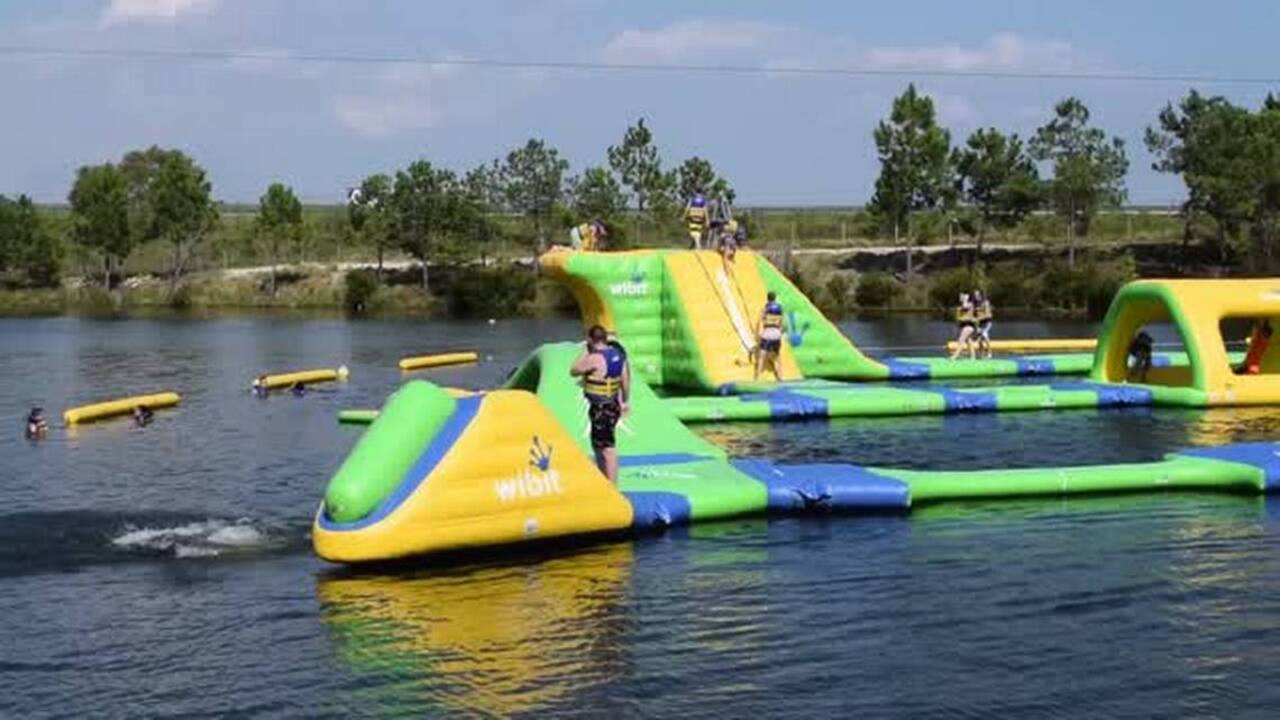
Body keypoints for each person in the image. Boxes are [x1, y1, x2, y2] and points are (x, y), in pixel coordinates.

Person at [570, 325, 630, 484]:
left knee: (607, 448)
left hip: (601, 408)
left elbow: (574, 370)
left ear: (591, 339)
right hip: (612, 405)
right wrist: (625, 401)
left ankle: (611, 486)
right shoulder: (618, 355)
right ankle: (605, 480)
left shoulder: (594, 358)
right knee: (599, 444)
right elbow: (625, 380)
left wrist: (585, 350)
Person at [755, 292, 786, 381]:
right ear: (775, 298)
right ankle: (780, 378)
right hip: (776, 333)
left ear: (767, 298)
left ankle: (757, 378)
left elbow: (760, 321)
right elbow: (783, 325)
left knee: (761, 356)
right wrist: (780, 333)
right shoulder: (780, 308)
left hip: (767, 332)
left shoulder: (765, 308)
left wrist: (758, 334)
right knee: (776, 357)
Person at [950, 292, 976, 360]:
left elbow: (968, 316)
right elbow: (957, 318)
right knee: (969, 341)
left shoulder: (970, 304)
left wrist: (965, 300)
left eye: (963, 296)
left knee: (961, 339)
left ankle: (955, 356)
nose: (961, 297)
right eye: (960, 296)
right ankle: (973, 357)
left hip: (969, 326)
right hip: (963, 326)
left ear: (967, 297)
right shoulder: (960, 306)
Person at [973, 289, 994, 359]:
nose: (976, 296)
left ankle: (990, 353)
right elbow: (975, 315)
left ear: (980, 295)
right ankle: (981, 354)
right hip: (980, 323)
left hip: (987, 322)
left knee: (985, 335)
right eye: (974, 295)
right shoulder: (975, 304)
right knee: (980, 339)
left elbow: (988, 315)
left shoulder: (985, 302)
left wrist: (979, 318)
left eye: (977, 295)